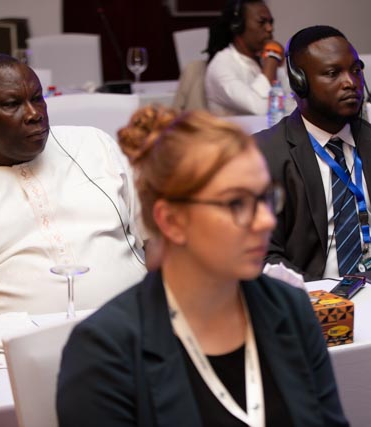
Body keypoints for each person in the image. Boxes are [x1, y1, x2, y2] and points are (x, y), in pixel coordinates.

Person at [56, 106, 350, 427]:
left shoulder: (290, 309)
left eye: (265, 198)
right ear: (172, 221)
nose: (266, 221)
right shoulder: (105, 352)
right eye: (237, 203)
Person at [0, 54, 147, 332]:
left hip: (135, 329)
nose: (34, 114)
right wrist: (8, 346)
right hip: (15, 348)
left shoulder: (95, 145)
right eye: (11, 104)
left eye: (37, 98)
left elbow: (157, 236)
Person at [255, 25, 371, 281]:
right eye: (333, 73)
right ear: (300, 83)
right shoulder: (266, 153)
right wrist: (317, 298)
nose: (350, 83)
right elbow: (264, 253)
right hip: (313, 294)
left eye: (356, 70)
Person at [204, 0, 290, 116]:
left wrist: (277, 65)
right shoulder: (221, 65)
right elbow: (260, 108)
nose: (270, 28)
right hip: (234, 129)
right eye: (262, 22)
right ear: (238, 27)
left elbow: (291, 103)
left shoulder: (263, 59)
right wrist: (272, 56)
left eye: (270, 22)